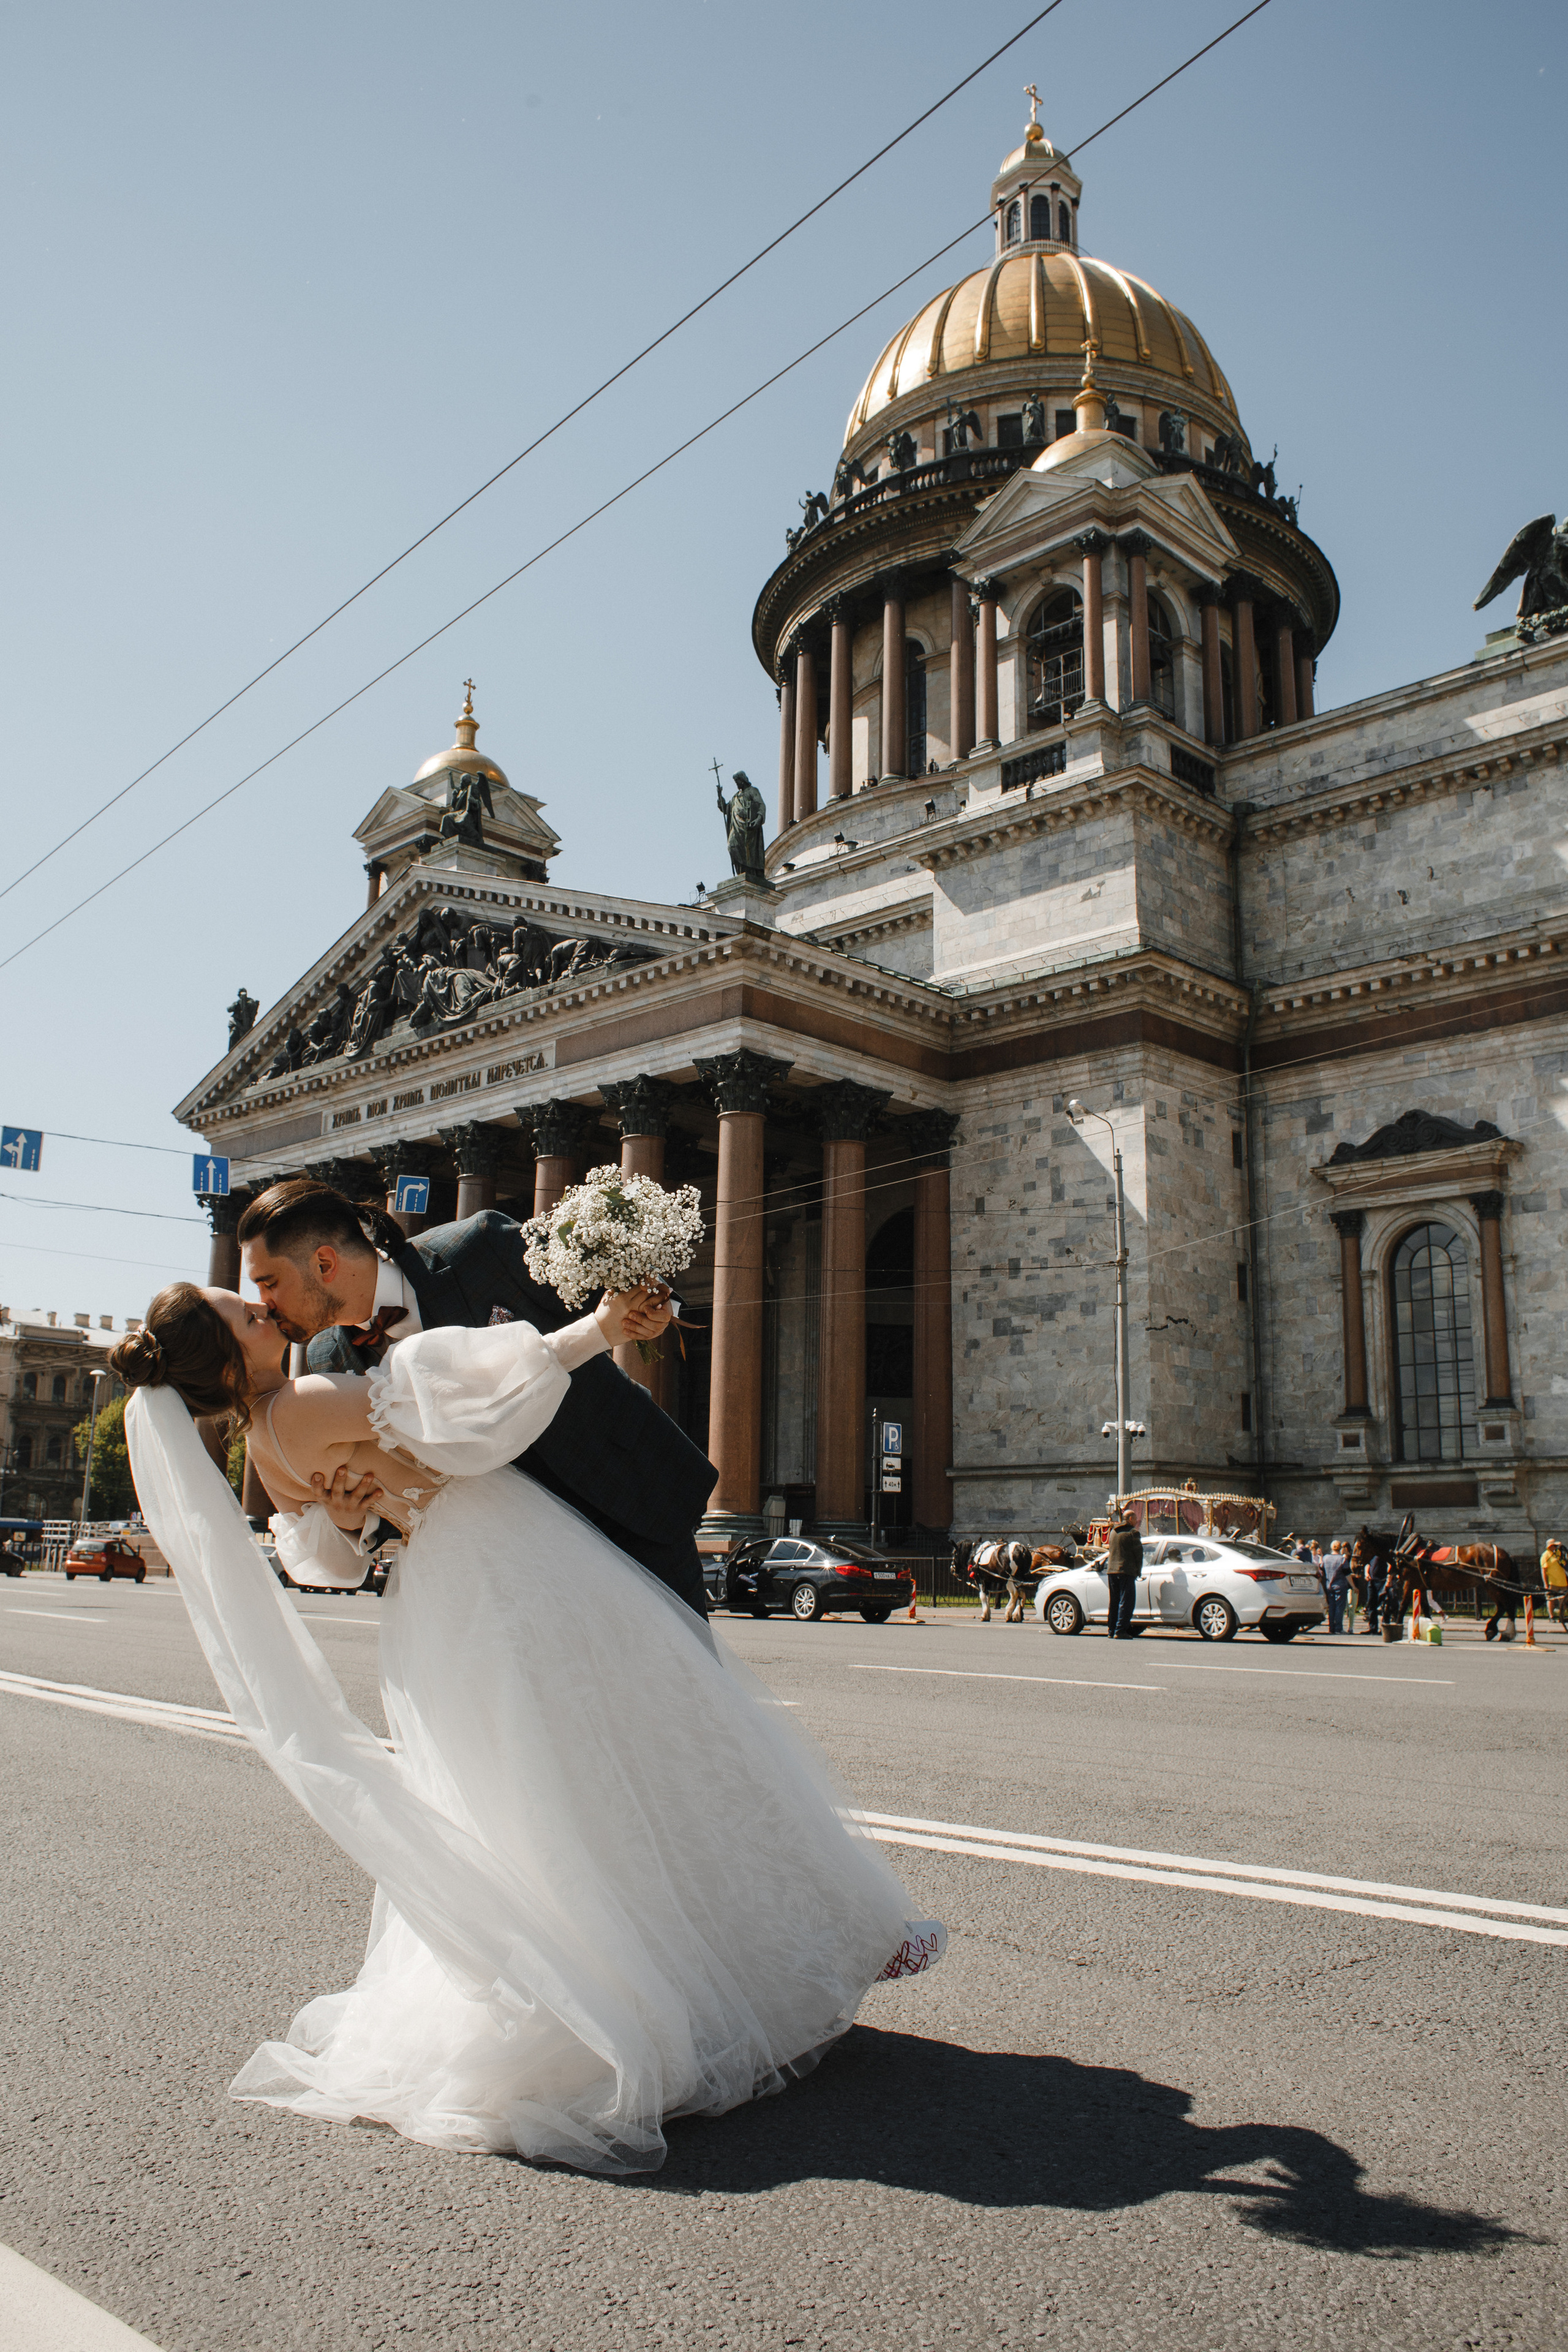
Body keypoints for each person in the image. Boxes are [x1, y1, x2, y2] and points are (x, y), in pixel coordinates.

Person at [113, 1283, 943, 2175]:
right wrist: (592, 1331)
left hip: (451, 1592)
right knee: (645, 1747)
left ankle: (645, 1984)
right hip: (504, 1567)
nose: (267, 1312)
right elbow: (457, 1393)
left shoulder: (266, 1440)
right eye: (245, 1315)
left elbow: (326, 1557)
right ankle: (735, 1973)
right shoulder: (306, 1401)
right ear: (229, 1360)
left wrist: (355, 1514)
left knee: (541, 1792)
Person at [236, 1178, 716, 1620]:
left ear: (324, 1263)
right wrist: (349, 1523)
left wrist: (656, 1309)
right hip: (522, 1567)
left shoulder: (479, 1246)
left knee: (688, 1699)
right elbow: (406, 1491)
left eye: (269, 1282)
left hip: (628, 1503)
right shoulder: (328, 1362)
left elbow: (602, 1281)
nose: (263, 1302)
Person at [1105, 1507, 1140, 1638]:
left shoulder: (1114, 1532)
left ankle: (1111, 1629)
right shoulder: (1133, 1533)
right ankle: (1121, 1630)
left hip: (1112, 1571)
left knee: (1114, 1601)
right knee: (1127, 1601)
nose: (1137, 1521)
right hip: (1126, 1571)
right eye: (1136, 1518)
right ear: (1130, 1519)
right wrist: (1138, 1571)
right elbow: (1139, 1554)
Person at [1324, 1537, 1351, 1634]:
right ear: (1341, 1549)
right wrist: (1354, 1586)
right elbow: (1347, 1574)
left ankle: (1331, 1628)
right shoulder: (1342, 1559)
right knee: (1340, 1607)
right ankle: (1338, 1628)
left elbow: (1321, 1567)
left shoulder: (1326, 1558)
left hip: (1329, 1585)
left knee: (1331, 1607)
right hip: (1340, 1585)